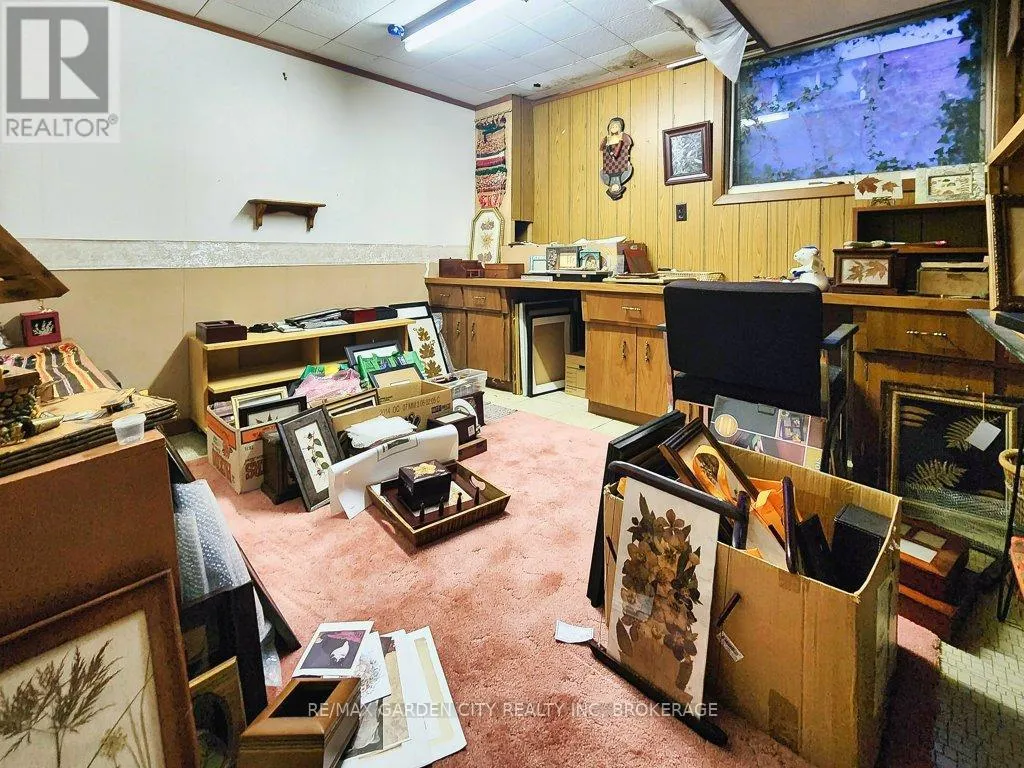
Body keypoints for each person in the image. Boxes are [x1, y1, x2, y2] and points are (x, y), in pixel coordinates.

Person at [600, 117, 634, 200]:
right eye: (612, 126)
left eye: (616, 126)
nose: (614, 128)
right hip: (610, 160)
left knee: (616, 164)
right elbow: (602, 147)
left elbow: (628, 143)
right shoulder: (624, 177)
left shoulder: (606, 180)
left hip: (619, 160)